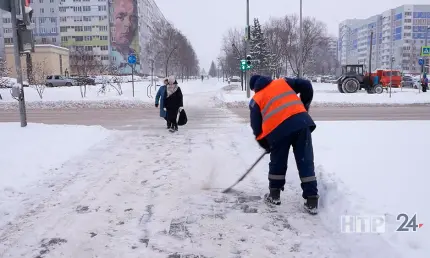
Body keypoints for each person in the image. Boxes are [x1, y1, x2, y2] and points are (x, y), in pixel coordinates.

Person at [248, 74, 319, 214]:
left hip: (278, 132)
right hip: (301, 125)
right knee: (305, 161)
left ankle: (274, 196)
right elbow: (306, 85)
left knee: (278, 162)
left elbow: (257, 129)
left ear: (254, 88)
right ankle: (312, 200)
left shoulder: (256, 100)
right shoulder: (283, 82)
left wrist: (265, 144)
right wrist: (304, 106)